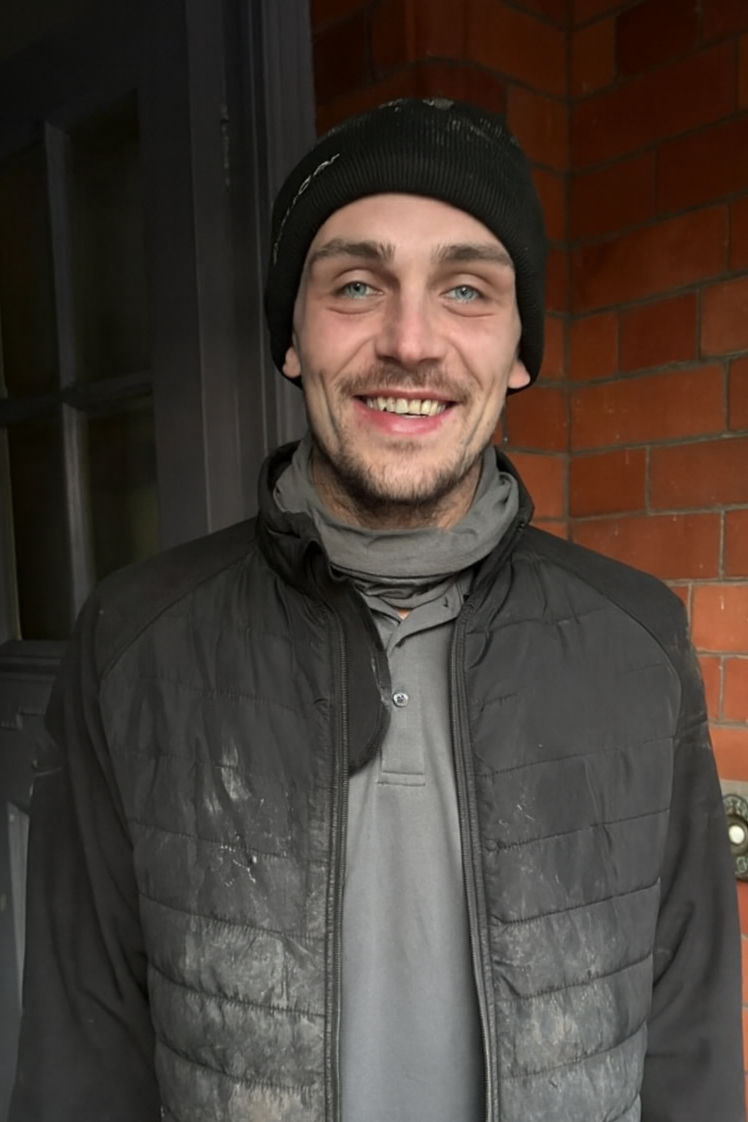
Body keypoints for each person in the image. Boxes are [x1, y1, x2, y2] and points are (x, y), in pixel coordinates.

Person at [10, 98, 744, 1122]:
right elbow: (80, 1056)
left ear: (520, 349)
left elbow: (692, 1044)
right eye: (356, 285)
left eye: (466, 290)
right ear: (293, 338)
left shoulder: (638, 640)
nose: (410, 340)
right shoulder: (135, 642)